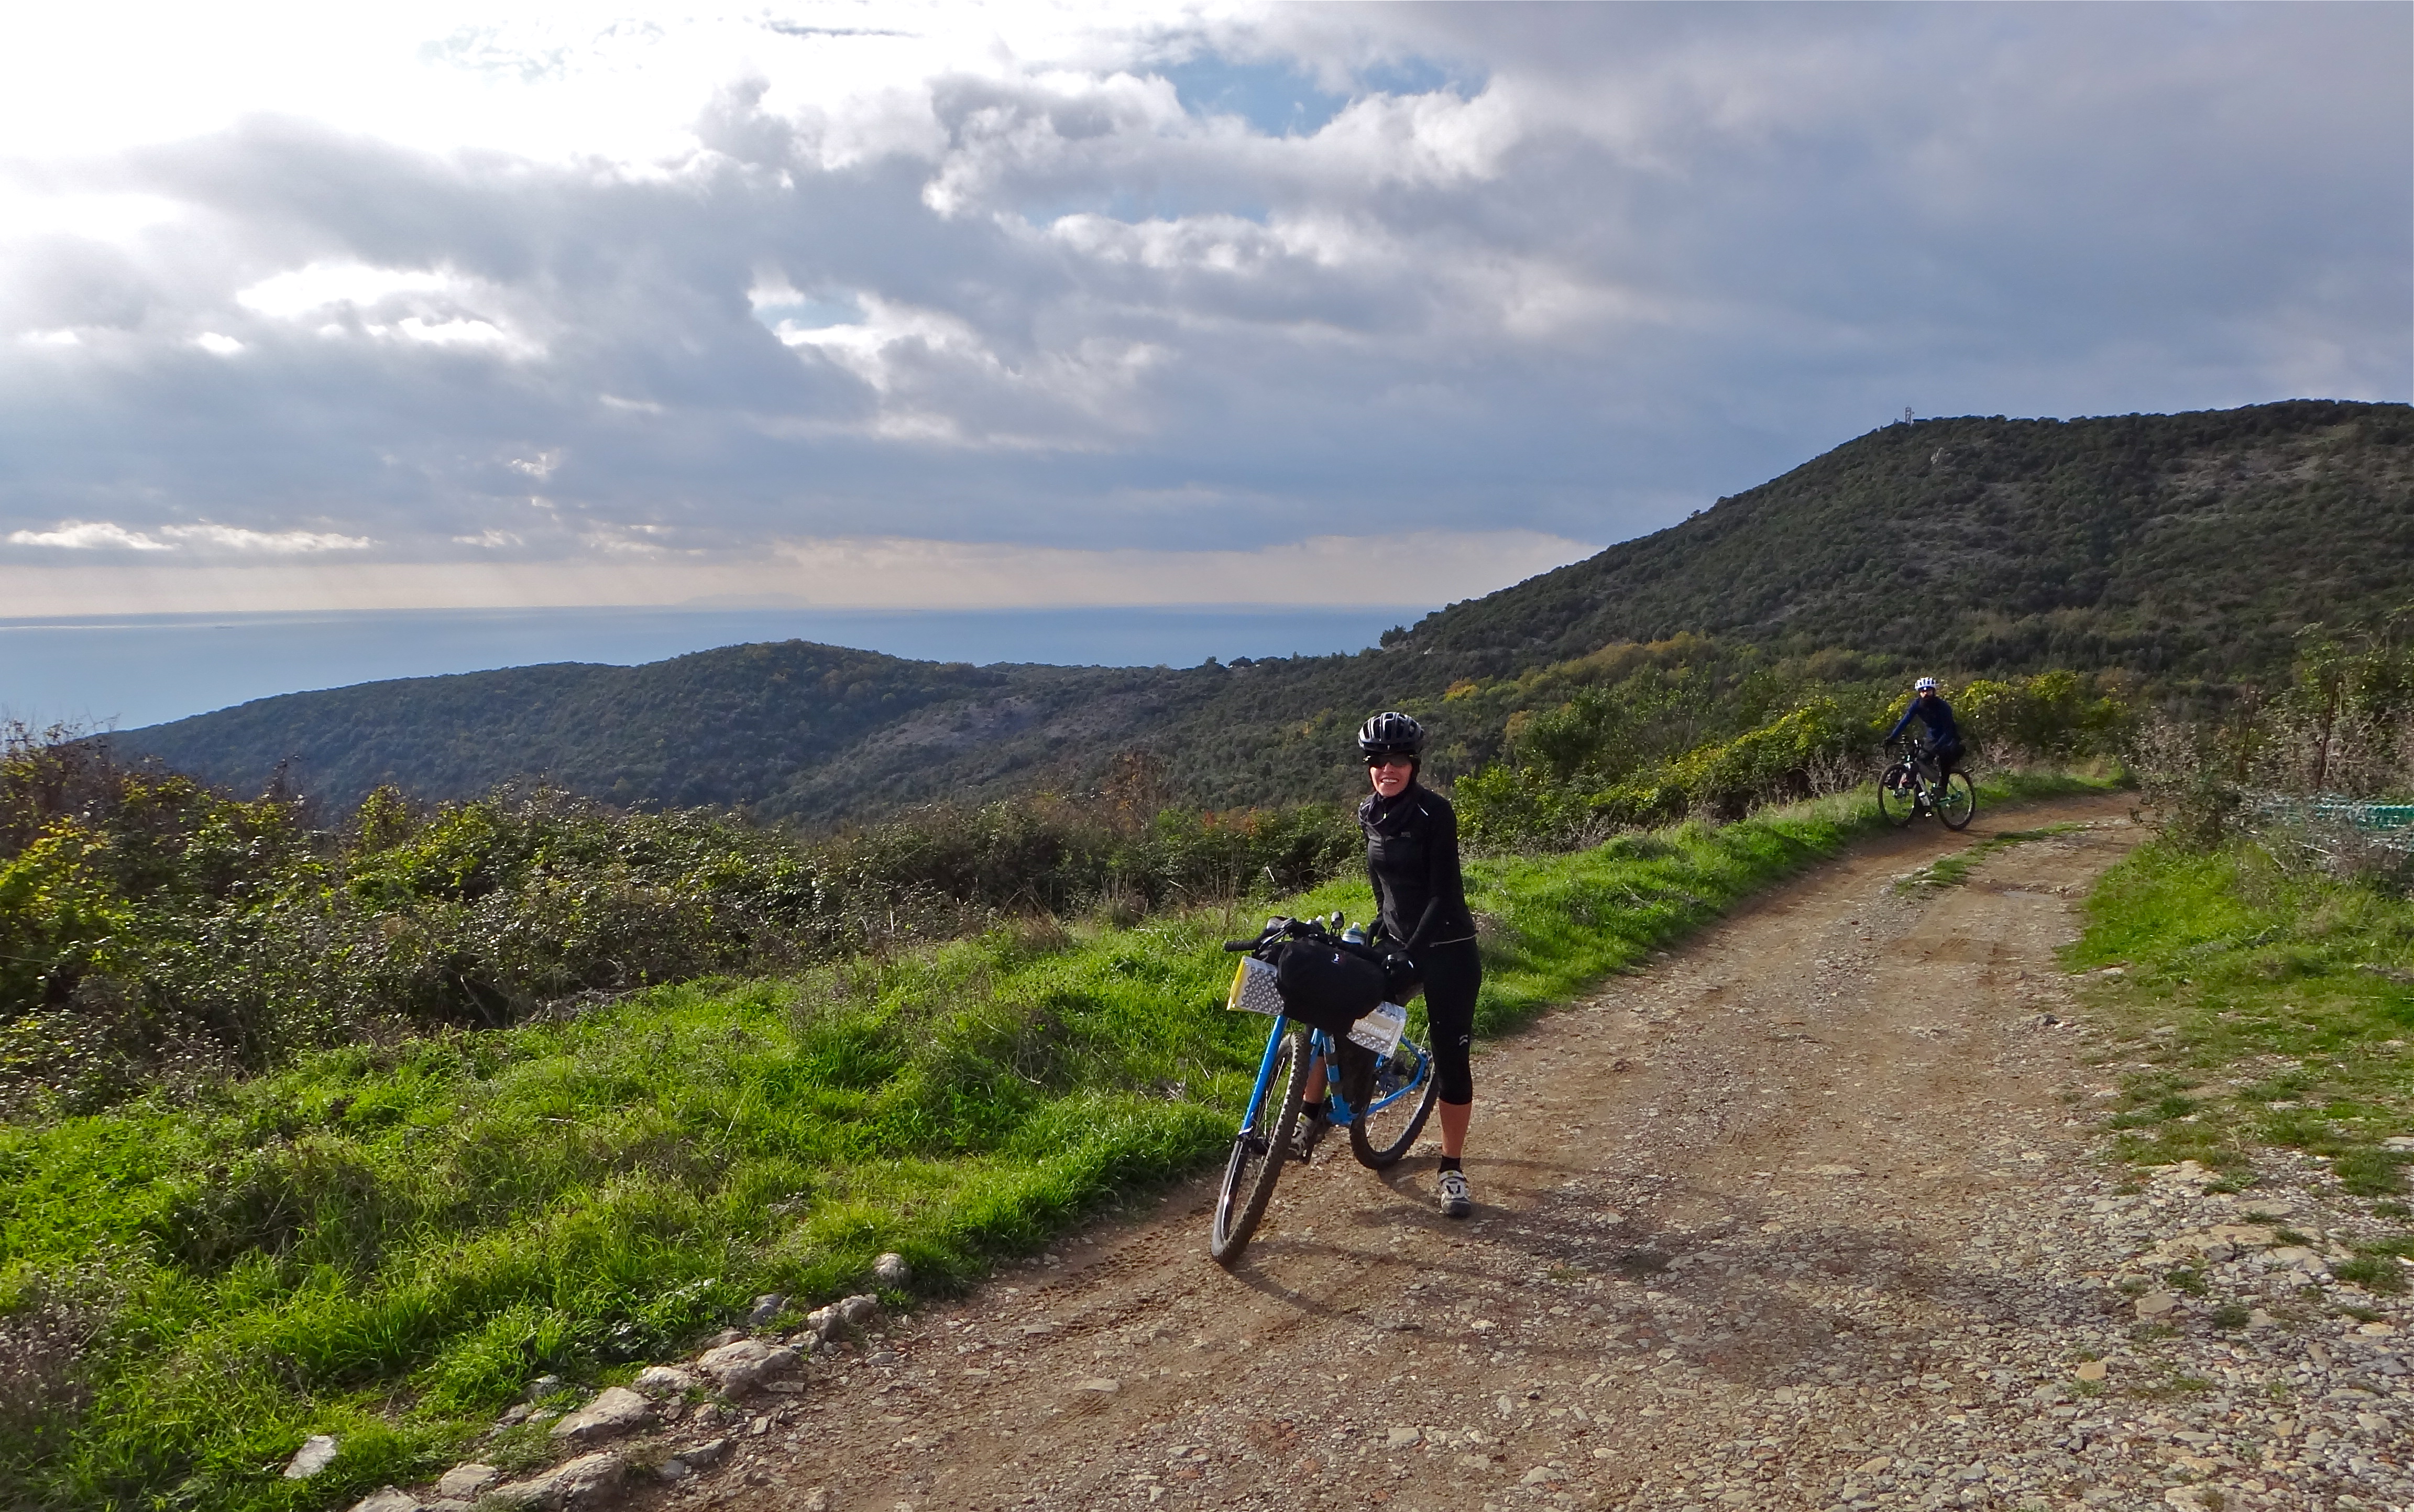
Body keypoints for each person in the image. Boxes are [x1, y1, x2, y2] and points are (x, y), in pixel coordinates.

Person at [1350, 709, 1483, 1219]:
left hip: (1448, 949)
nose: (1388, 769)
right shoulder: (1369, 812)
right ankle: (1375, 1084)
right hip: (1401, 942)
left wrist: (1414, 951)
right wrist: (1382, 921)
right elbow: (1381, 876)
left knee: (1452, 1062)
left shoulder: (1435, 814)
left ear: (1415, 764)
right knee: (1359, 1020)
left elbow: (1443, 894)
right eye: (1379, 760)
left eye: (1399, 760)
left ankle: (1452, 1169)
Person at [1886, 677, 1963, 784]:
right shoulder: (1917, 705)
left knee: (1944, 758)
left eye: (1929, 690)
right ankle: (1921, 794)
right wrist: (1892, 738)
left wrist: (1938, 747)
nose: (1926, 694)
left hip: (1948, 738)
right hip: (1932, 738)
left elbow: (1949, 730)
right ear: (1919, 693)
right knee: (1919, 763)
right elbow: (1905, 721)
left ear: (1934, 691)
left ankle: (1942, 787)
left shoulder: (1943, 707)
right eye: (1923, 691)